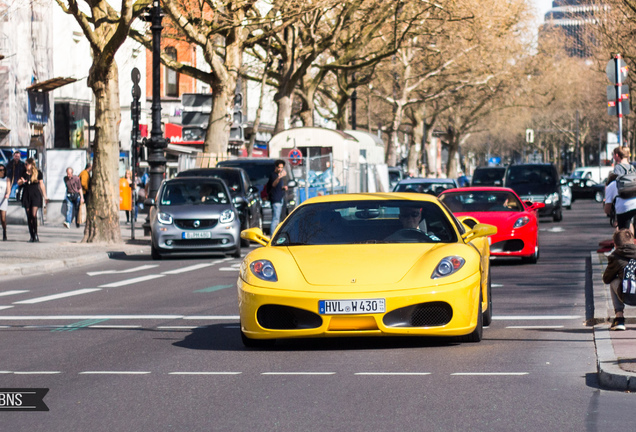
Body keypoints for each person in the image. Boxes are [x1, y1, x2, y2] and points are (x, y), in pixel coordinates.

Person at [603, 229, 636, 331]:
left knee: (614, 281)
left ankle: (619, 318)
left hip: (627, 295)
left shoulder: (616, 257)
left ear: (615, 245)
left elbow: (606, 278)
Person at [604, 146, 636, 233]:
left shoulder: (617, 168)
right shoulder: (632, 168)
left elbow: (615, 182)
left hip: (623, 200)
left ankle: (623, 241)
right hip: (633, 197)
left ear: (617, 155)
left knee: (623, 226)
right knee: (630, 224)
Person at [17, 157, 47, 242]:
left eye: (26, 164)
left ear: (31, 165)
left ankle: (36, 234)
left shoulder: (38, 173)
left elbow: (41, 185)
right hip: (26, 195)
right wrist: (22, 182)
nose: (25, 166)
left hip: (35, 195)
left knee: (33, 215)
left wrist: (45, 196)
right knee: (28, 215)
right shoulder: (24, 173)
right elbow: (18, 182)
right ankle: (31, 235)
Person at [266, 159, 288, 232]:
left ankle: (276, 235)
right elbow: (273, 184)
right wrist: (279, 177)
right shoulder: (273, 175)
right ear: (276, 167)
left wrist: (283, 188)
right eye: (279, 167)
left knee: (278, 219)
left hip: (280, 198)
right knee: (275, 219)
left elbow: (277, 186)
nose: (280, 169)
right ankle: (272, 236)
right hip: (275, 200)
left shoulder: (280, 176)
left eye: (282, 167)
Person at [0, 164, 9, 240]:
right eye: (0, 170)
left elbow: (8, 189)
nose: (2, 171)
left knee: (3, 218)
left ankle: (4, 231)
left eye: (3, 170)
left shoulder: (6, 179)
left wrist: (7, 194)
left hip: (3, 199)